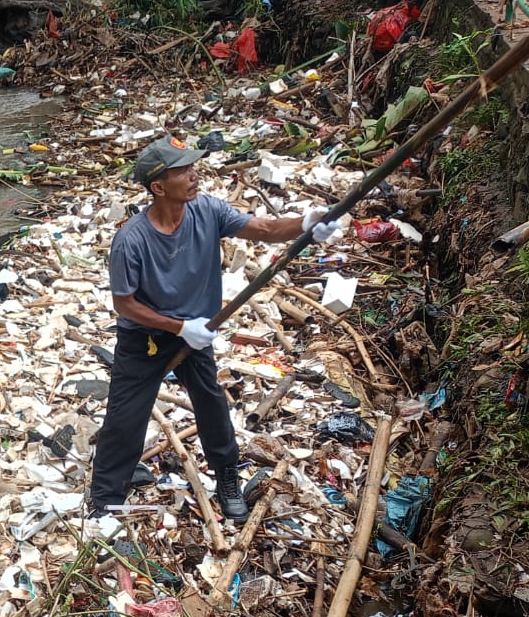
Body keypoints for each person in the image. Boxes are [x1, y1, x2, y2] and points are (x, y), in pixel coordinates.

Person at [88, 136, 344, 531]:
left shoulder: (206, 210)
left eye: (193, 167)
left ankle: (227, 479)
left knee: (212, 404)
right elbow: (124, 304)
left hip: (197, 333)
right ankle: (106, 496)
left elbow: (264, 228)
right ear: (158, 187)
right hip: (147, 337)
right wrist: (179, 327)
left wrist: (307, 223)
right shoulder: (132, 240)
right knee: (126, 414)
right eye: (183, 171)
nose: (194, 176)